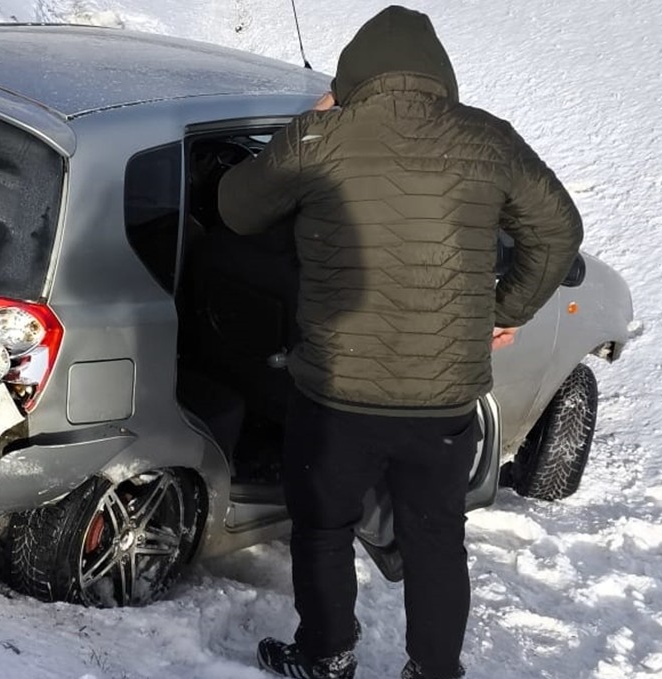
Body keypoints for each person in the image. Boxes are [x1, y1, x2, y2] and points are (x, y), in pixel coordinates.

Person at [217, 6, 583, 679]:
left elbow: (236, 208)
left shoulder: (320, 137)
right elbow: (559, 229)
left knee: (323, 528)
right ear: (437, 74)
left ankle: (326, 657)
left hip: (335, 393)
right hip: (444, 401)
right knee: (438, 537)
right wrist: (506, 309)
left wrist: (315, 120)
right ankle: (435, 670)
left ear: (354, 72)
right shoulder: (489, 138)